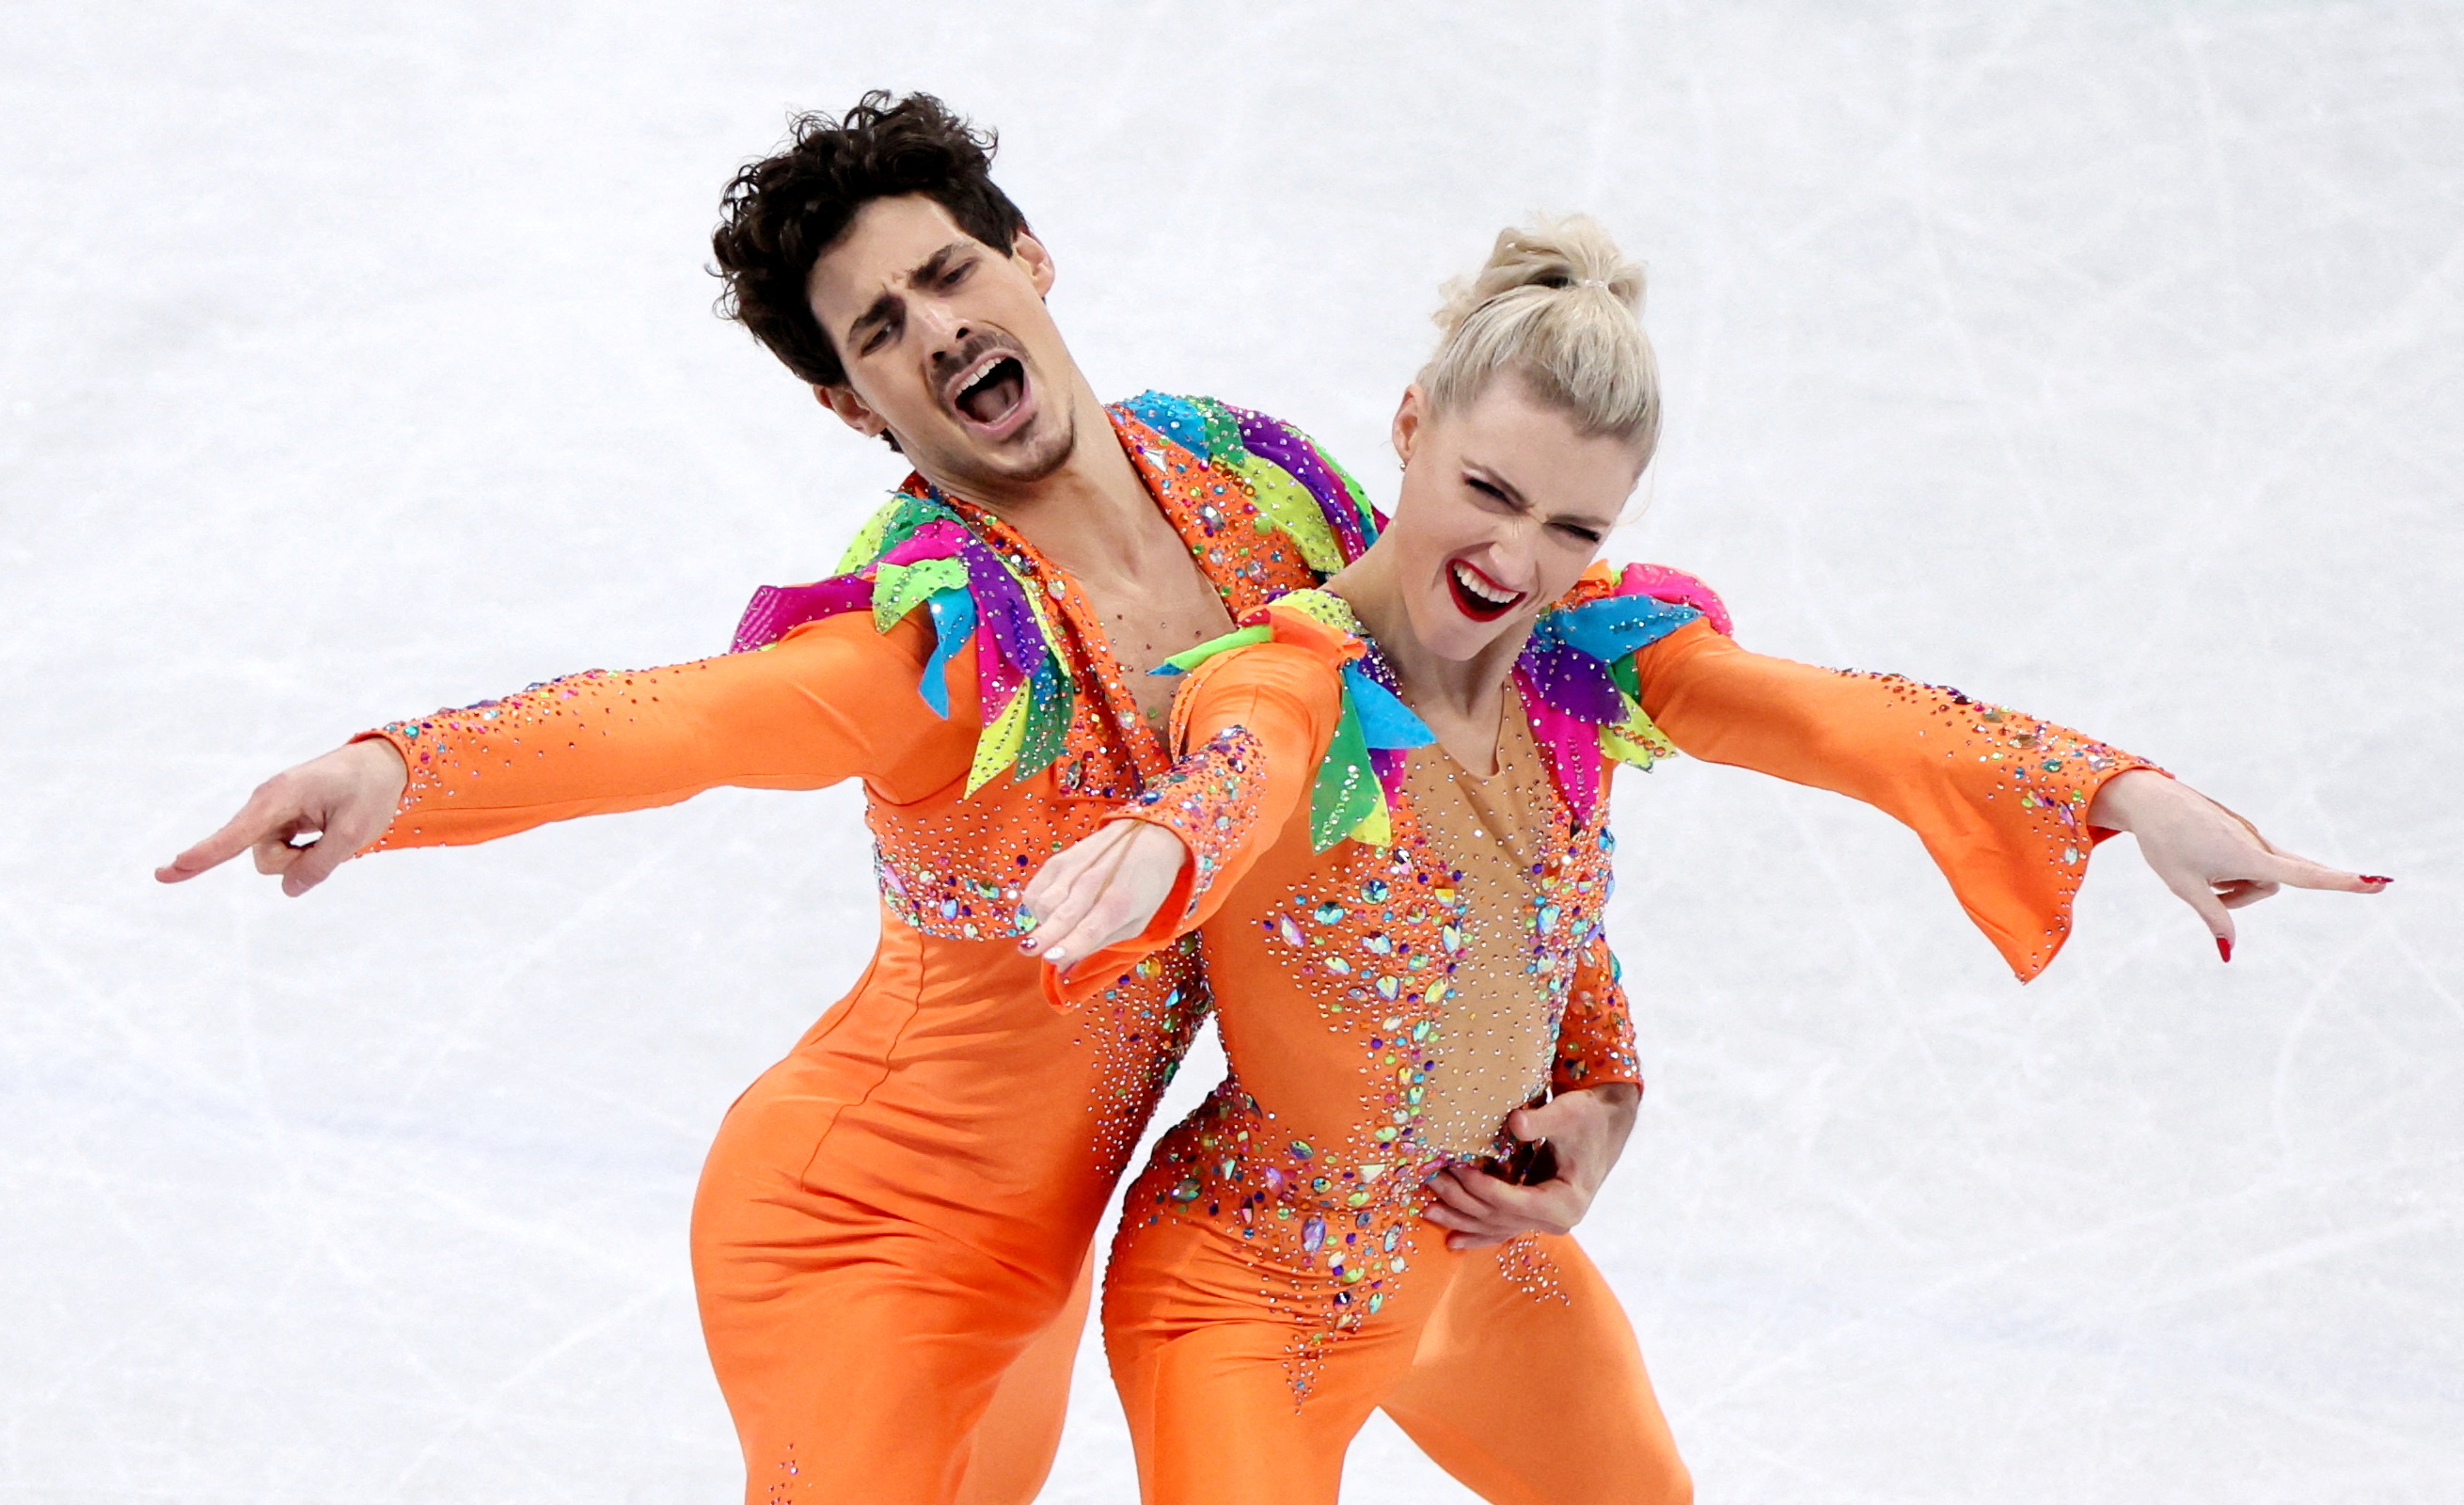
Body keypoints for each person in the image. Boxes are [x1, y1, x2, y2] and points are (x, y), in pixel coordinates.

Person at [150, 93, 1650, 1505]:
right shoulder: (938, 640)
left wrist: (1595, 1070)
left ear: (1029, 260)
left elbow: (1471, 777)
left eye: (947, 274)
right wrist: (399, 769)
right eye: (881, 328)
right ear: (843, 398)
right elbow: (684, 724)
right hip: (860, 1236)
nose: (937, 330)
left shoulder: (1260, 490)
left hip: (1052, 1254)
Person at [1013, 217, 2390, 1505]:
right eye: (1488, 491)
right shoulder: (1287, 675)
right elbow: (1238, 765)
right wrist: (1163, 841)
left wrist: (2124, 791)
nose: (1513, 560)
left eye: (1573, 528)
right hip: (1248, 1286)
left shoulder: (1581, 663)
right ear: (1411, 425)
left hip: (1482, 1255)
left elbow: (1829, 723)